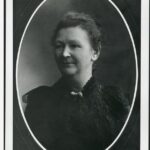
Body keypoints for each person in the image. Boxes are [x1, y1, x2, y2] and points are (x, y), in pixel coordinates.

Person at [23, 12, 130, 150]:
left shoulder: (115, 103)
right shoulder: (39, 102)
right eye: (59, 45)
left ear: (95, 52)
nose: (64, 53)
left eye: (74, 45)